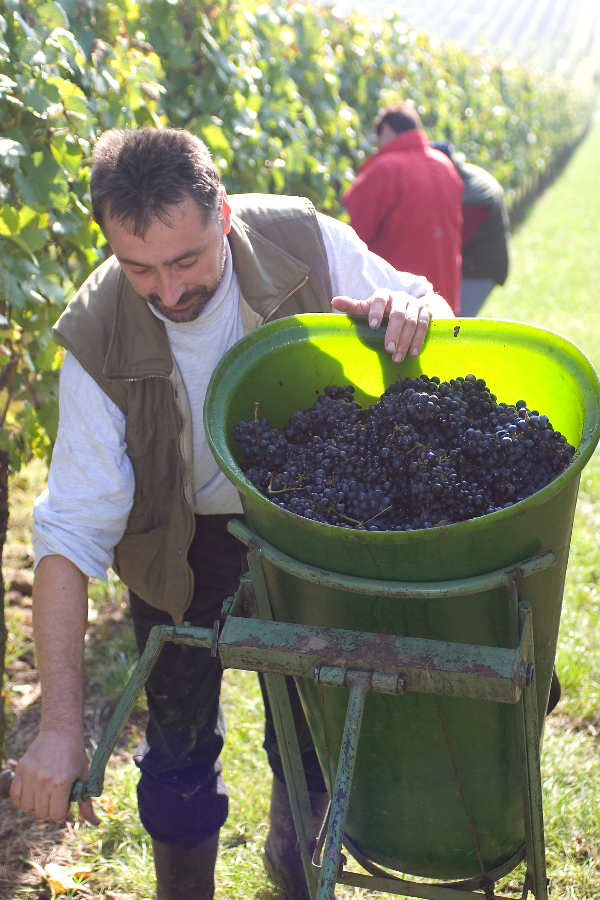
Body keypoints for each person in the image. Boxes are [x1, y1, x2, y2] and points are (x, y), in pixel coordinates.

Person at [9, 127, 454, 900]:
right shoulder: (98, 331)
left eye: (185, 261)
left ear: (221, 213)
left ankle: (297, 869)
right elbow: (70, 530)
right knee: (177, 753)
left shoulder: (303, 241)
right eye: (140, 268)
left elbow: (431, 304)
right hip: (176, 539)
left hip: (304, 522)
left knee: (310, 737)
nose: (169, 292)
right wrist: (55, 731)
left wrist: (408, 310)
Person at [341, 100, 464, 313]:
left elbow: (353, 235)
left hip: (397, 303)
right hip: (442, 297)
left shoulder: (383, 169)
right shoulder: (444, 165)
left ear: (387, 129)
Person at [430, 140, 510, 316]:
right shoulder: (465, 178)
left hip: (479, 269)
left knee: (454, 325)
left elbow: (455, 240)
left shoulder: (471, 194)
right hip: (475, 265)